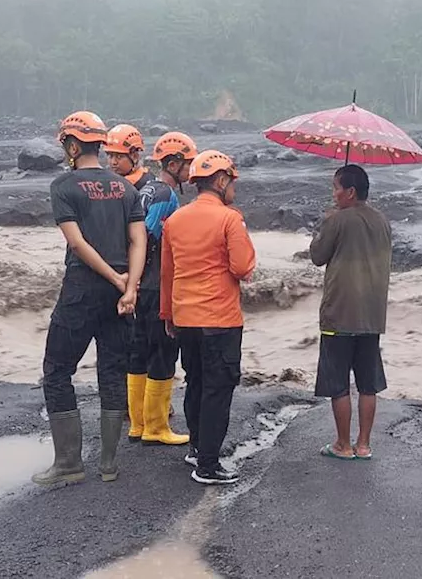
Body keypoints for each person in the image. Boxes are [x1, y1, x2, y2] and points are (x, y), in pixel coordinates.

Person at [34, 111, 147, 486]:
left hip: (83, 289)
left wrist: (113, 276)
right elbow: (138, 240)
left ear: (71, 144)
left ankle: (69, 463)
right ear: (99, 144)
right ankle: (109, 464)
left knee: (57, 370)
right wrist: (129, 287)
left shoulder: (64, 186)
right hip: (120, 296)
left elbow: (77, 243)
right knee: (112, 372)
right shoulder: (126, 188)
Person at [161, 150, 256, 485]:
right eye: (231, 181)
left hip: (185, 316)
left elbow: (167, 274)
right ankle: (208, 466)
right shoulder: (230, 219)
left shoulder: (175, 221)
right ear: (220, 181)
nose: (233, 188)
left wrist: (167, 314)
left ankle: (197, 448)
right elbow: (242, 267)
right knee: (218, 389)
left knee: (196, 383)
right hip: (220, 319)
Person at [309, 165, 392, 460]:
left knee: (338, 383)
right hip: (372, 314)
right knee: (368, 383)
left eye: (336, 188)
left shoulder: (338, 220)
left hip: (339, 314)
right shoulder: (382, 220)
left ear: (350, 192)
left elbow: (318, 256)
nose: (334, 193)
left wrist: (326, 224)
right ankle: (364, 444)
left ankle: (343, 445)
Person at [128, 131, 199, 446]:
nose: (191, 172)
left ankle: (137, 424)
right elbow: (148, 236)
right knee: (162, 352)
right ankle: (155, 428)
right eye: (188, 165)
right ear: (174, 163)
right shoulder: (165, 195)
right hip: (156, 285)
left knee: (138, 351)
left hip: (140, 285)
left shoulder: (145, 190)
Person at [105, 123, 151, 191]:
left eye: (119, 156)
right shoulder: (147, 176)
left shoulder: (126, 185)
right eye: (110, 156)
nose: (113, 162)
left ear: (135, 157)